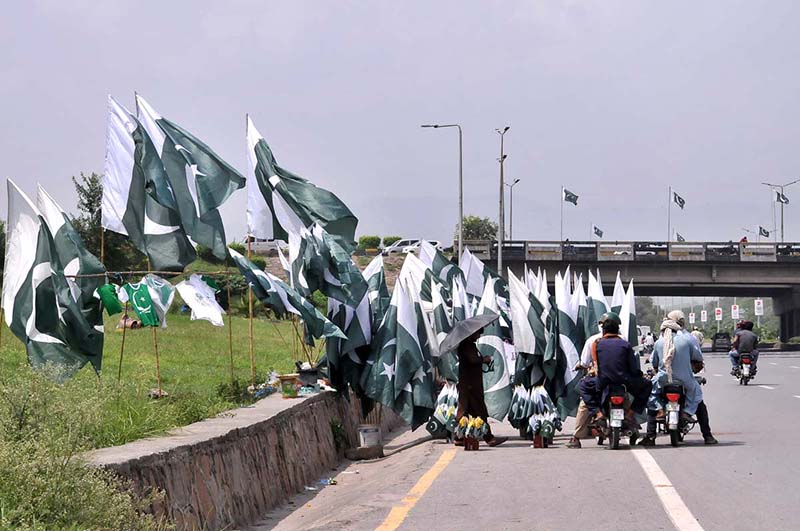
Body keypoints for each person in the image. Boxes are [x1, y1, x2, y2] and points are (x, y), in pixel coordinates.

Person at [639, 311, 717, 445]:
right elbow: (698, 358)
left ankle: (651, 434)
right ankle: (707, 435)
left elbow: (655, 363)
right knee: (698, 400)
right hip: (685, 379)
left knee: (652, 397)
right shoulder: (688, 339)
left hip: (664, 379)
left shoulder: (659, 342)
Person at [578, 312, 652, 426]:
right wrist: (638, 376)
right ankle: (630, 414)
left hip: (603, 381)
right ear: (617, 329)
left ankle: (597, 414)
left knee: (583, 386)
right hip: (624, 381)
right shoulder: (625, 344)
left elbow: (592, 363)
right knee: (647, 385)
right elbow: (633, 367)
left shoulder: (596, 343)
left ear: (603, 329)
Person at [567, 314, 620, 449]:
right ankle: (632, 422)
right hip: (619, 380)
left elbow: (584, 363)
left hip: (599, 379)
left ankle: (577, 436)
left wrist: (581, 366)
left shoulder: (593, 340)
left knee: (584, 401)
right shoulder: (623, 340)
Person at [454, 328, 507, 447]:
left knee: (464, 412)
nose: (478, 336)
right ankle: (489, 438)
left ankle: (459, 437)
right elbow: (473, 360)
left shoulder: (469, 345)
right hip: (470, 386)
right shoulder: (466, 346)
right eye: (477, 334)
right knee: (480, 412)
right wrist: (484, 359)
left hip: (469, 385)